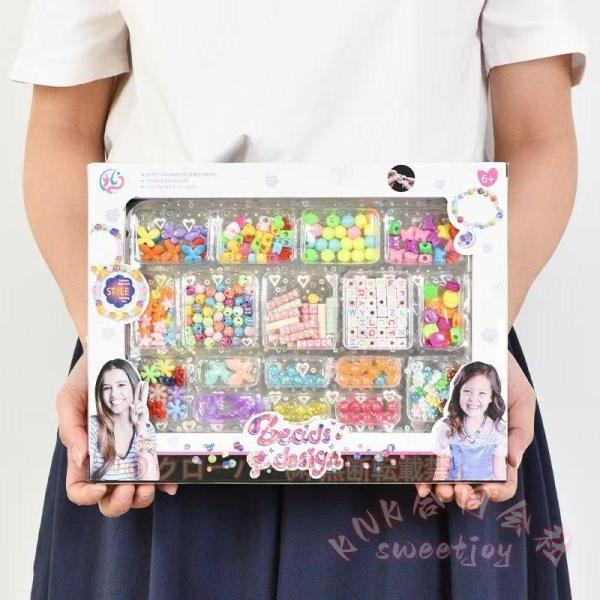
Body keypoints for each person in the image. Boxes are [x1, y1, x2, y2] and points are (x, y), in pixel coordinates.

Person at [10, 1, 585, 598]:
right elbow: (63, 130)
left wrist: (482, 335)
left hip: (428, 367)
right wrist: (104, 337)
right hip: (164, 369)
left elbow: (538, 136)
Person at [432, 362, 507, 481]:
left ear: (491, 397)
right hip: (454, 488)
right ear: (459, 392)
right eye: (467, 391)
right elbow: (441, 471)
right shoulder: (446, 428)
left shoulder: (497, 430)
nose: (473, 399)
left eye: (482, 393)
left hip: (486, 489)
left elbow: (500, 473)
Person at [91, 359, 159, 482]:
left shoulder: (147, 429)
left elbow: (150, 481)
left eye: (121, 385)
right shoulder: (93, 426)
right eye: (107, 388)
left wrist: (140, 427)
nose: (114, 394)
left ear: (134, 386)